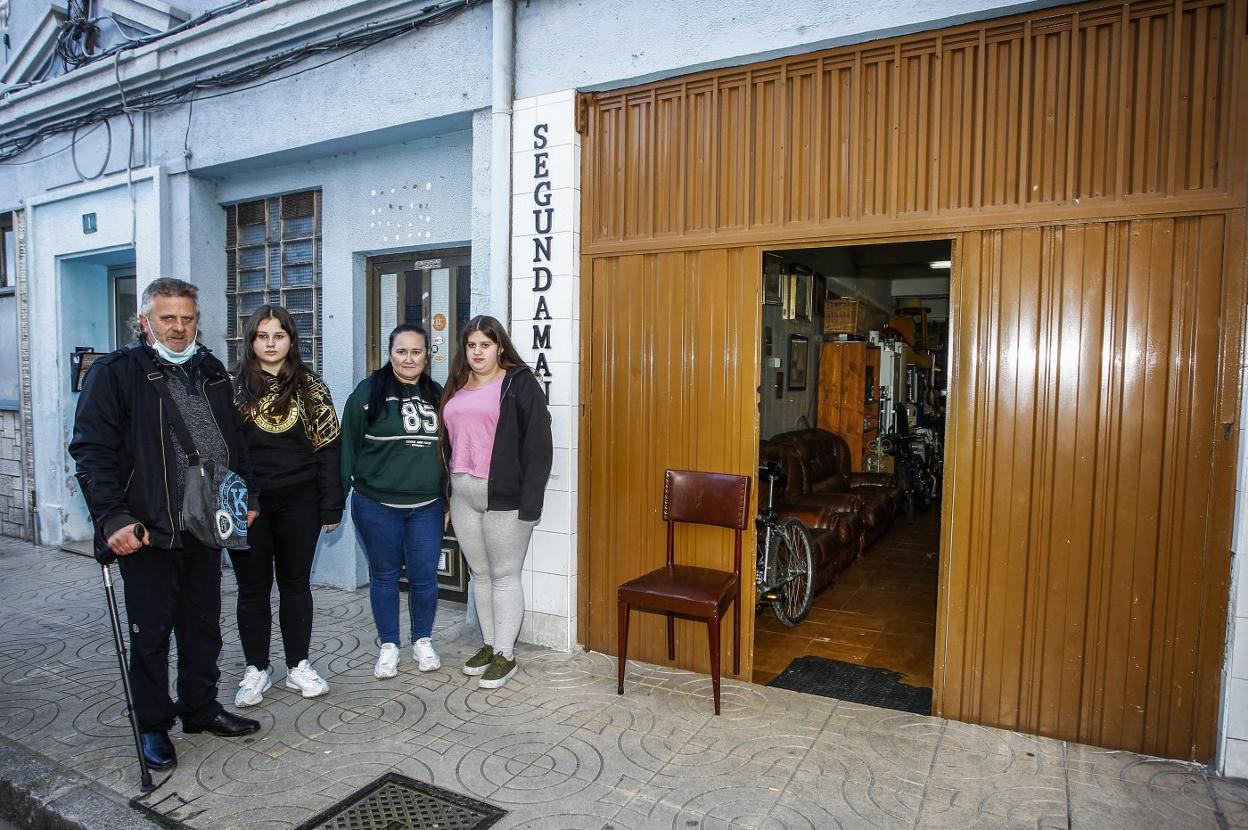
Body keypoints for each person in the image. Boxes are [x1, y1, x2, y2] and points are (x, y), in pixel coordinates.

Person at [69, 277, 261, 773]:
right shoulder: (116, 372)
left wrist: (248, 496)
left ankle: (199, 708)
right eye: (167, 318)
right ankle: (153, 725)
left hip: (205, 525)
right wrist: (112, 516)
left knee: (203, 629)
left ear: (198, 320)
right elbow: (92, 451)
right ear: (145, 321)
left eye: (187, 318)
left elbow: (236, 444)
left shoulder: (213, 370)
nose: (178, 328)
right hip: (148, 530)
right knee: (151, 635)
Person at [230, 305, 344, 707]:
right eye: (263, 336)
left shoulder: (311, 386)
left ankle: (298, 665)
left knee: (296, 585)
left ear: (291, 340)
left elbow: (329, 448)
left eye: (279, 336)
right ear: (252, 341)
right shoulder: (233, 388)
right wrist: (237, 500)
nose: (271, 343)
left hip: (301, 501)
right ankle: (256, 669)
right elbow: (223, 453)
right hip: (249, 506)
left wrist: (331, 506)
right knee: (252, 588)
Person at [441, 315, 552, 689]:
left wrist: (530, 504)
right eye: (471, 345)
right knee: (481, 575)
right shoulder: (456, 385)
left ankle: (506, 653)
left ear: (499, 346)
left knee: (504, 576)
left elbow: (539, 447)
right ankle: (489, 645)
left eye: (484, 345)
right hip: (462, 492)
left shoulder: (519, 383)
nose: (477, 352)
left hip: (503, 494)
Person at [340, 324, 446, 679]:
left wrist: (446, 501)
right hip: (377, 504)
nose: (409, 358)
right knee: (384, 576)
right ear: (390, 353)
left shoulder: (437, 394)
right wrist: (336, 498)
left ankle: (422, 640)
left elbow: (449, 452)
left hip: (426, 507)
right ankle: (389, 645)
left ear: (427, 355)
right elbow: (348, 447)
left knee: (424, 577)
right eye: (401, 351)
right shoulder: (368, 391)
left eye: (416, 351)